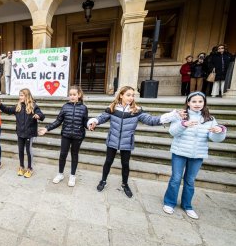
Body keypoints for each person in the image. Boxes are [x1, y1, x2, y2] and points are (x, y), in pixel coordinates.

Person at [88, 86, 181, 197]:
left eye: (133, 95)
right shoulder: (112, 108)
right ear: (121, 95)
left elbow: (151, 120)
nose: (131, 97)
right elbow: (101, 118)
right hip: (112, 139)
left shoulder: (136, 110)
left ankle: (125, 184)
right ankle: (103, 180)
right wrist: (94, 121)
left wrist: (171, 116)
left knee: (125, 164)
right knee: (108, 161)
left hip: (127, 142)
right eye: (128, 95)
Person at [163, 91, 226, 219]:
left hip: (198, 154)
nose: (197, 104)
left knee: (190, 181)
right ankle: (169, 202)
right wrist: (183, 125)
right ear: (188, 103)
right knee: (176, 178)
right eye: (194, 101)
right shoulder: (181, 116)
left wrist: (219, 131)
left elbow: (215, 138)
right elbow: (172, 132)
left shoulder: (210, 119)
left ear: (204, 103)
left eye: (200, 101)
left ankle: (187, 205)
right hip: (179, 152)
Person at [38, 86, 88, 187]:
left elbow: (85, 122)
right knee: (63, 154)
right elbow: (58, 121)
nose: (72, 96)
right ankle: (60, 174)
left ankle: (72, 175)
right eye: (70, 95)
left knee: (75, 155)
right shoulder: (65, 107)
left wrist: (90, 126)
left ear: (79, 95)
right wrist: (47, 128)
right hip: (66, 135)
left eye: (74, 94)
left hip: (78, 136)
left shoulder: (84, 108)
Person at [0, 88, 45, 178]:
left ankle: (30, 168)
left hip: (29, 134)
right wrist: (0, 105)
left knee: (28, 151)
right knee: (20, 150)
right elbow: (7, 110)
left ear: (27, 96)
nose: (20, 97)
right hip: (20, 133)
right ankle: (21, 166)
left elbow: (41, 114)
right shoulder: (17, 106)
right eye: (19, 95)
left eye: (22, 95)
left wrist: (39, 115)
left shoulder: (34, 106)